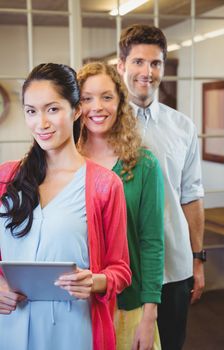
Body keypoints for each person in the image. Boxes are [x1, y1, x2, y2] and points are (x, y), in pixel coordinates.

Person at [0, 63, 131, 350]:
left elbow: (120, 270)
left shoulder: (104, 185)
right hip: (9, 327)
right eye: (31, 111)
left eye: (52, 109)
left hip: (73, 329)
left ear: (76, 111)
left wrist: (94, 281)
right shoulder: (5, 178)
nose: (41, 123)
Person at [117, 24, 205, 350]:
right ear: (121, 66)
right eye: (138, 62)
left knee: (170, 344)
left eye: (155, 63)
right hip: (123, 267)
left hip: (174, 265)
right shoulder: (101, 125)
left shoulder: (183, 127)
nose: (147, 72)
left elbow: (192, 195)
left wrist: (197, 259)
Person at [77, 61, 164, 350]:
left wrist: (149, 317)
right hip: (75, 306)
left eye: (106, 97)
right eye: (86, 98)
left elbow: (152, 243)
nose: (96, 107)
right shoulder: (61, 164)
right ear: (75, 106)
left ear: (120, 102)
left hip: (128, 305)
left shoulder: (143, 164)